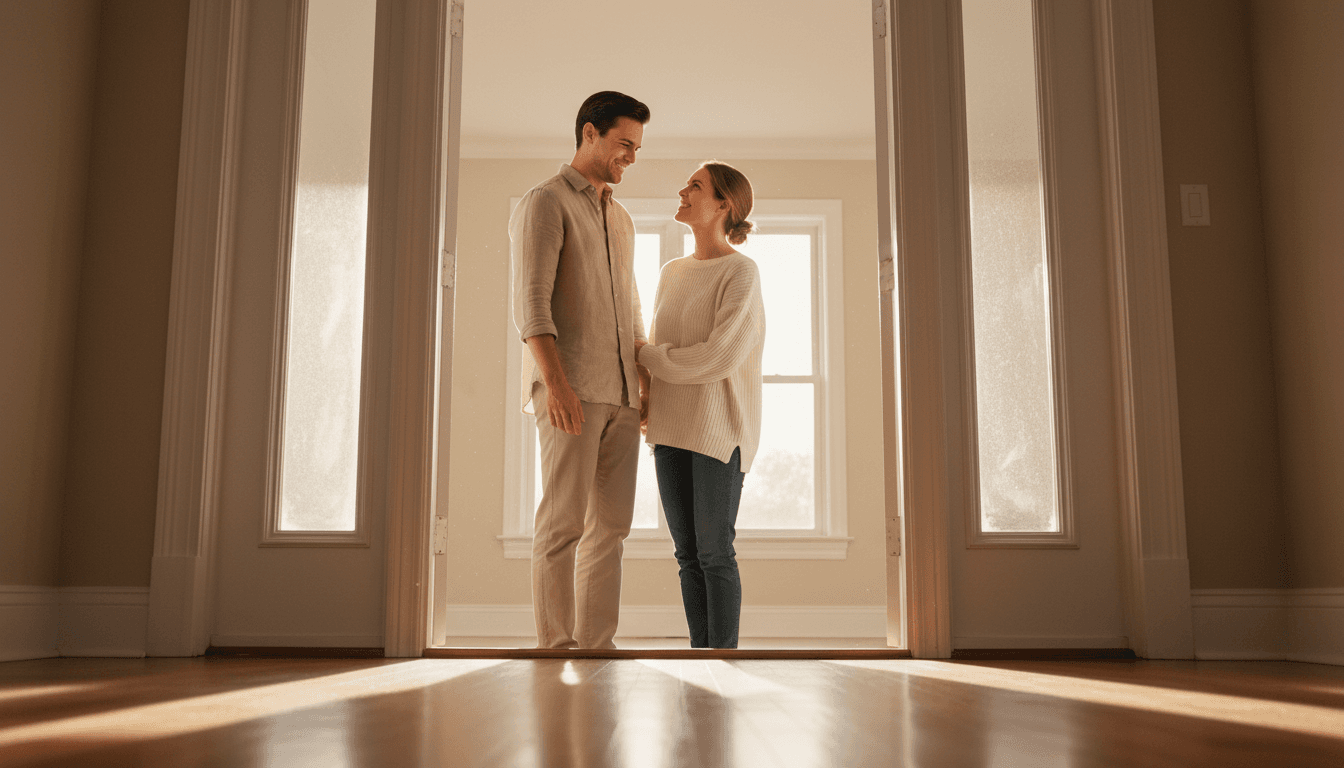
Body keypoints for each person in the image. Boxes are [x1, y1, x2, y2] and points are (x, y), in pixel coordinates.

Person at [510, 91, 651, 650]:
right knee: (563, 523)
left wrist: (642, 386)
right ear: (589, 133)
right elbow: (533, 306)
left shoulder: (622, 218)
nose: (631, 157)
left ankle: (597, 645)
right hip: (571, 391)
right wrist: (557, 386)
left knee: (610, 529)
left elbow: (633, 307)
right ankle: (556, 644)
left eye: (637, 147)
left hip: (622, 396)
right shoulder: (545, 202)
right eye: (624, 144)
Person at [636, 161, 765, 649]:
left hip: (719, 432)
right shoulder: (672, 273)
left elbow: (716, 358)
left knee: (715, 554)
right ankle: (700, 656)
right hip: (667, 431)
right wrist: (649, 388)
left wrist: (647, 355)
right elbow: (665, 352)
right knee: (687, 555)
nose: (683, 191)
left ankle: (723, 658)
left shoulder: (740, 272)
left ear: (723, 204)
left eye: (695, 186)